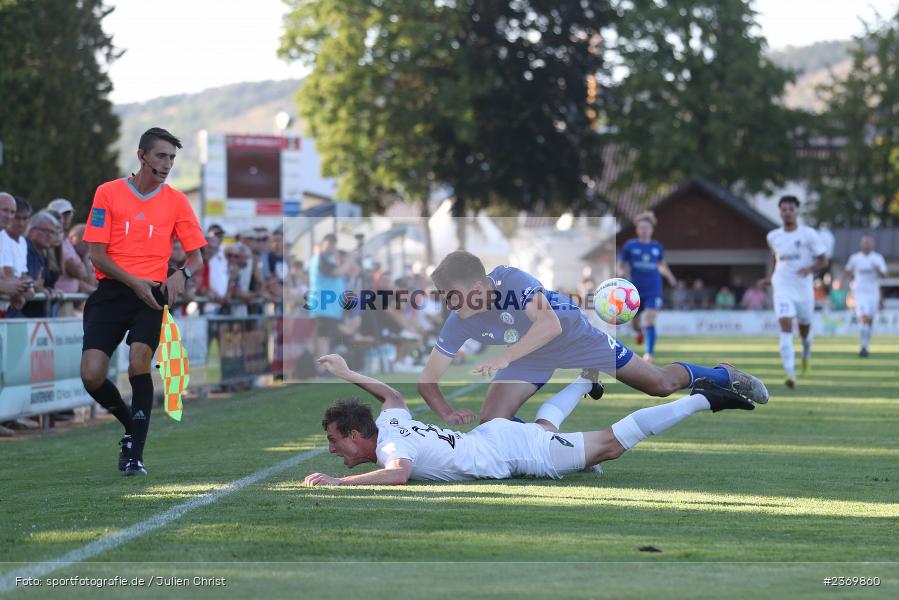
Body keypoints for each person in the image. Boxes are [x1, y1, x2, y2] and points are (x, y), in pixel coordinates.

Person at [417, 251, 768, 428]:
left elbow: (549, 326)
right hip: (528, 354)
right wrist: (447, 413)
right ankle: (546, 449)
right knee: (493, 423)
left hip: (573, 335)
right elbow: (427, 382)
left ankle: (725, 375)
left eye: (451, 295)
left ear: (478, 288)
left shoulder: (512, 281)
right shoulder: (458, 319)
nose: (446, 303)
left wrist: (505, 358)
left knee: (659, 385)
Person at [303, 354, 764, 487]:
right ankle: (586, 378)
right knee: (546, 429)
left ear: (356, 434)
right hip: (494, 436)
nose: (331, 449)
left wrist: (335, 484)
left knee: (609, 445)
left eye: (333, 440)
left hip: (507, 449)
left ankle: (706, 399)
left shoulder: (388, 448)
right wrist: (347, 373)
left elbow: (398, 474)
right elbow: (391, 392)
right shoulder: (391, 422)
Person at [80, 127, 206, 477]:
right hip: (112, 292)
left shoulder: (177, 201)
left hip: (151, 296)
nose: (167, 164)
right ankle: (128, 427)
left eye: (172, 158)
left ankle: (135, 454)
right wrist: (133, 282)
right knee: (91, 375)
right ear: (141, 155)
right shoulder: (108, 193)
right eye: (161, 156)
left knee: (139, 362)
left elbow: (196, 258)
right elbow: (97, 256)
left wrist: (180, 275)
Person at [759, 196, 827, 389]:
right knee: (786, 326)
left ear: (797, 211)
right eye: (783, 209)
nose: (787, 212)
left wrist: (810, 270)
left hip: (803, 289)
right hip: (782, 287)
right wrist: (771, 278)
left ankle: (805, 355)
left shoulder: (809, 234)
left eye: (790, 209)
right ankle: (790, 374)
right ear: (780, 212)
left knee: (804, 330)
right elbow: (776, 258)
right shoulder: (773, 236)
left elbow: (823, 260)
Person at [617, 211, 677, 362]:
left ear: (651, 230)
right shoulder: (630, 246)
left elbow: (661, 265)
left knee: (650, 319)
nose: (644, 230)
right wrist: (621, 272)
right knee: (634, 325)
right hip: (634, 291)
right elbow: (620, 263)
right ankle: (639, 332)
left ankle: (648, 354)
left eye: (647, 227)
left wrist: (670, 277)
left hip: (653, 289)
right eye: (641, 227)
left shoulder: (657, 247)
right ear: (637, 229)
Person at [844, 235, 888, 357]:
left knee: (870, 321)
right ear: (861, 244)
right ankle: (863, 346)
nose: (867, 245)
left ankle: (865, 345)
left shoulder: (877, 258)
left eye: (869, 243)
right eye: (865, 243)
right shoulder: (855, 258)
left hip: (873, 293)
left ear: (872, 245)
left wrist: (878, 270)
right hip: (860, 293)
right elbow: (847, 271)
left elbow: (885, 276)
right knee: (864, 317)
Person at [0, 193, 30, 306]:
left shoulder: (2, 236)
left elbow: (3, 275)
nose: (9, 216)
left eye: (12, 212)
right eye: (4, 210)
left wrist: (22, 287)